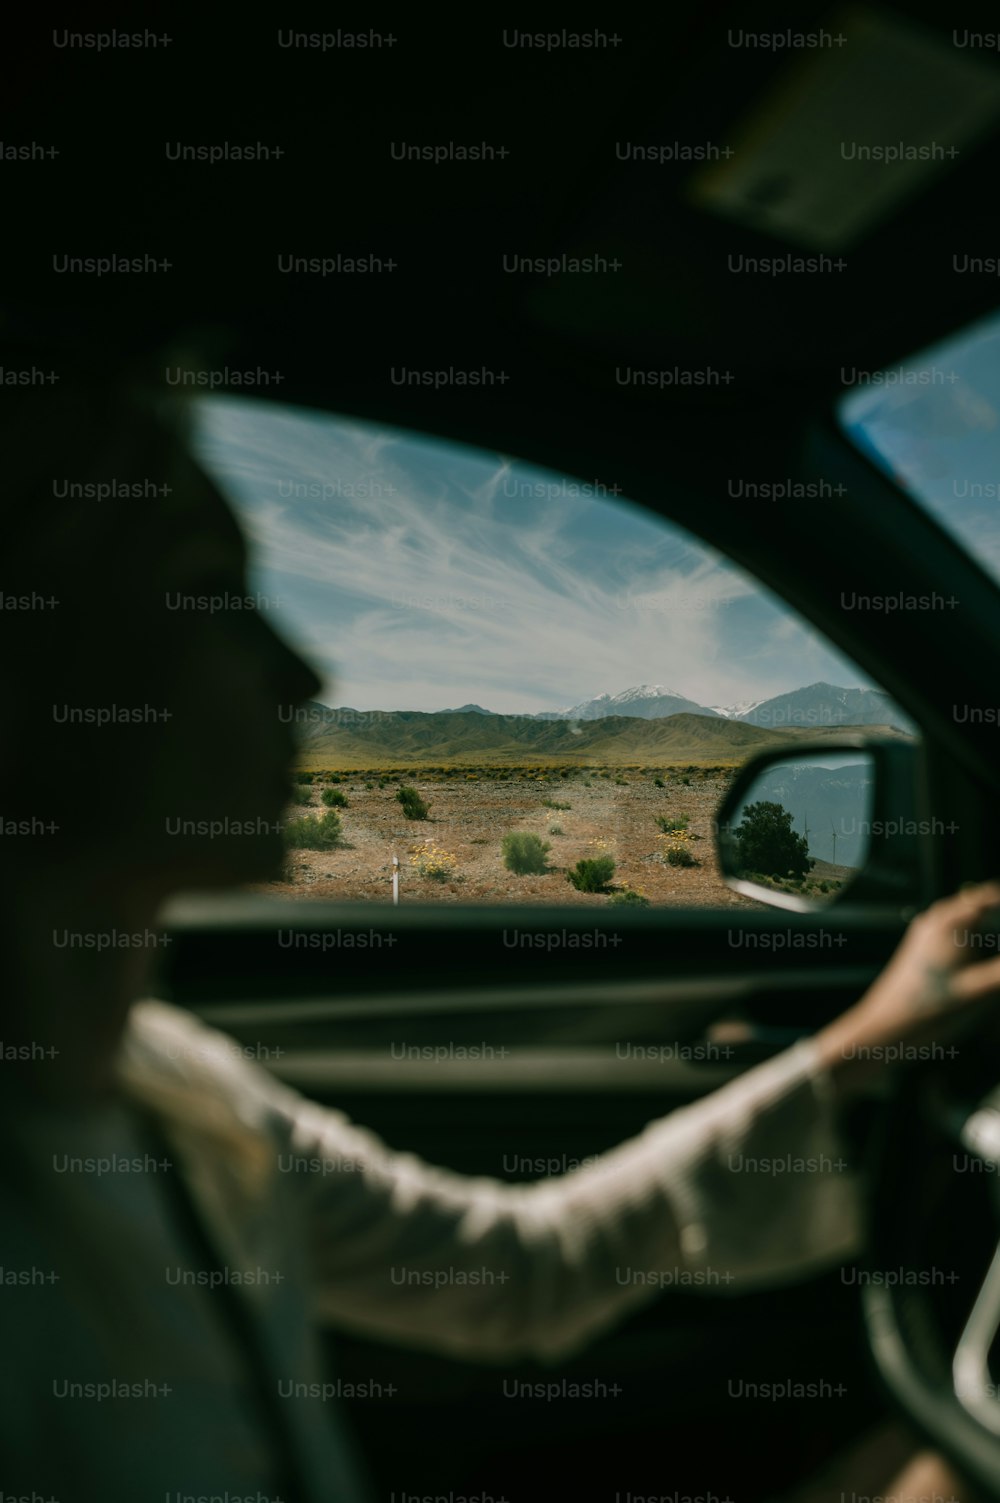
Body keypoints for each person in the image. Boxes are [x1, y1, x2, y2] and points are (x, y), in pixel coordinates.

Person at [1, 373, 996, 1501]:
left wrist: (862, 1042)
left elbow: (514, 1272)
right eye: (208, 594)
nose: (305, 672)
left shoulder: (177, 1087)